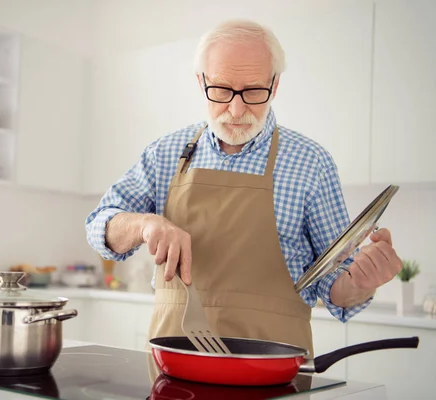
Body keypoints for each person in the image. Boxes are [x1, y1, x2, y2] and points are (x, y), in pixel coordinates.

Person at [85, 19, 402, 355]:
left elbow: (336, 287)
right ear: (200, 81)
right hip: (175, 367)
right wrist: (144, 224)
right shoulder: (165, 154)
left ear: (275, 85)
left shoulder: (312, 164)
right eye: (221, 90)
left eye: (253, 91)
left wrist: (362, 283)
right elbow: (99, 227)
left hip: (274, 373)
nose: (236, 110)